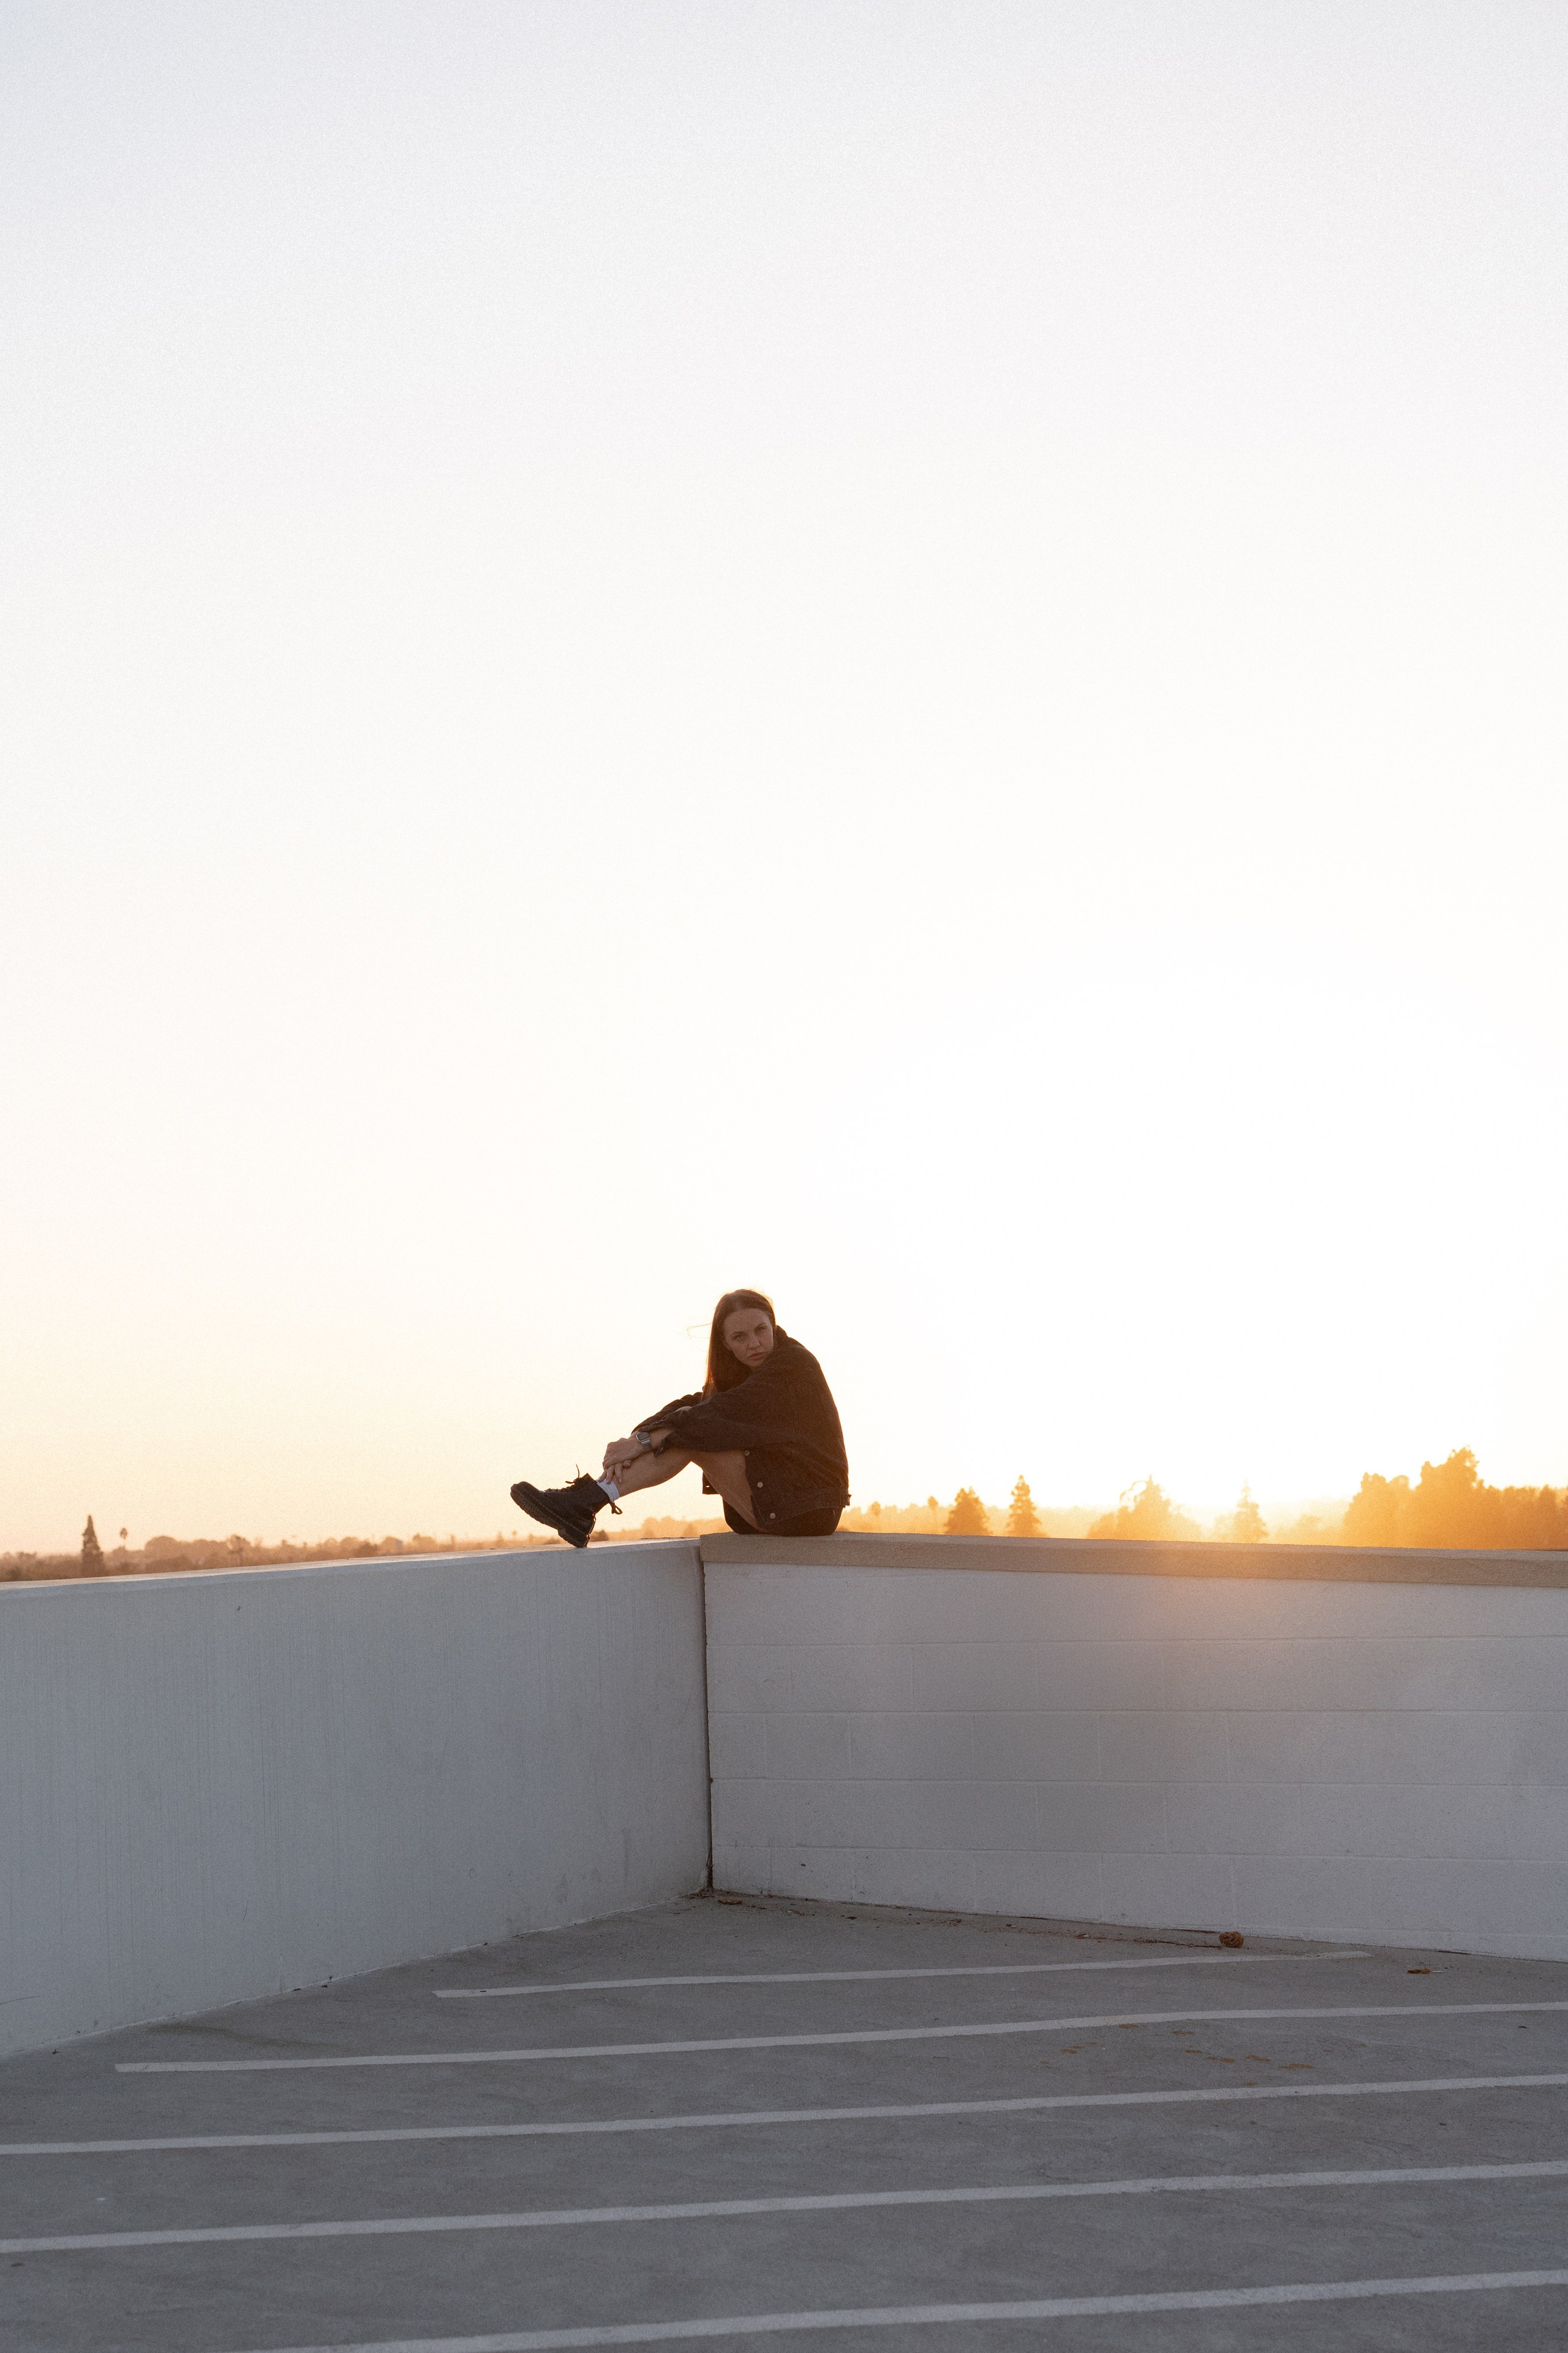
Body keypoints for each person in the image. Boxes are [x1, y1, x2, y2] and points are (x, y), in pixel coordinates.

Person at [510, 1289, 849, 1549]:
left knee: (692, 1434)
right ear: (726, 1344)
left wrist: (642, 1442)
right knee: (685, 1425)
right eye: (740, 1337)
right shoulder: (745, 1373)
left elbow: (713, 1416)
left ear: (773, 1325)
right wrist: (638, 1437)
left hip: (807, 1510)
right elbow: (695, 1403)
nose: (755, 1344)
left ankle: (587, 1502)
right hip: (782, 1501)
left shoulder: (792, 1368)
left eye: (762, 1330)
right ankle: (586, 1503)